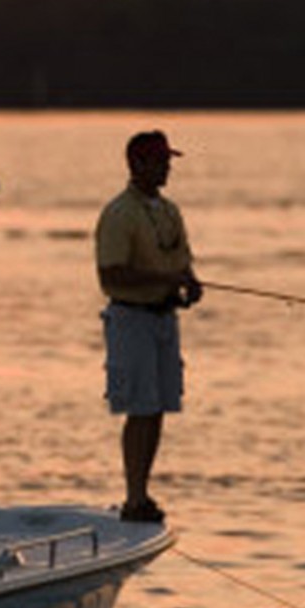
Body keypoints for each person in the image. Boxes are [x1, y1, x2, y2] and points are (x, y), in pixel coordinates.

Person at [95, 131, 202, 523]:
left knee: (157, 408)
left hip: (163, 319)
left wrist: (189, 282)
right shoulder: (119, 213)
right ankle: (134, 497)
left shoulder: (170, 210)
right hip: (130, 320)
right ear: (136, 164)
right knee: (140, 408)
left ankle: (142, 494)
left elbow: (181, 259)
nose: (167, 167)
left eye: (167, 160)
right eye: (159, 161)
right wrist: (162, 282)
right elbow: (112, 271)